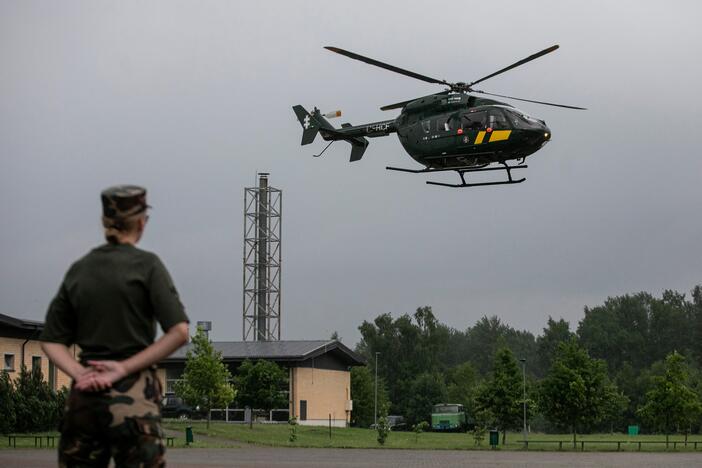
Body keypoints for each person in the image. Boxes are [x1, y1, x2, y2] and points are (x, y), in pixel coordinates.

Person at [40, 185, 189, 467]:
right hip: (134, 401)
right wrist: (122, 368)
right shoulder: (147, 266)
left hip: (84, 402)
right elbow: (179, 331)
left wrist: (80, 373)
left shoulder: (80, 269)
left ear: (105, 222)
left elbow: (50, 340)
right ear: (142, 222)